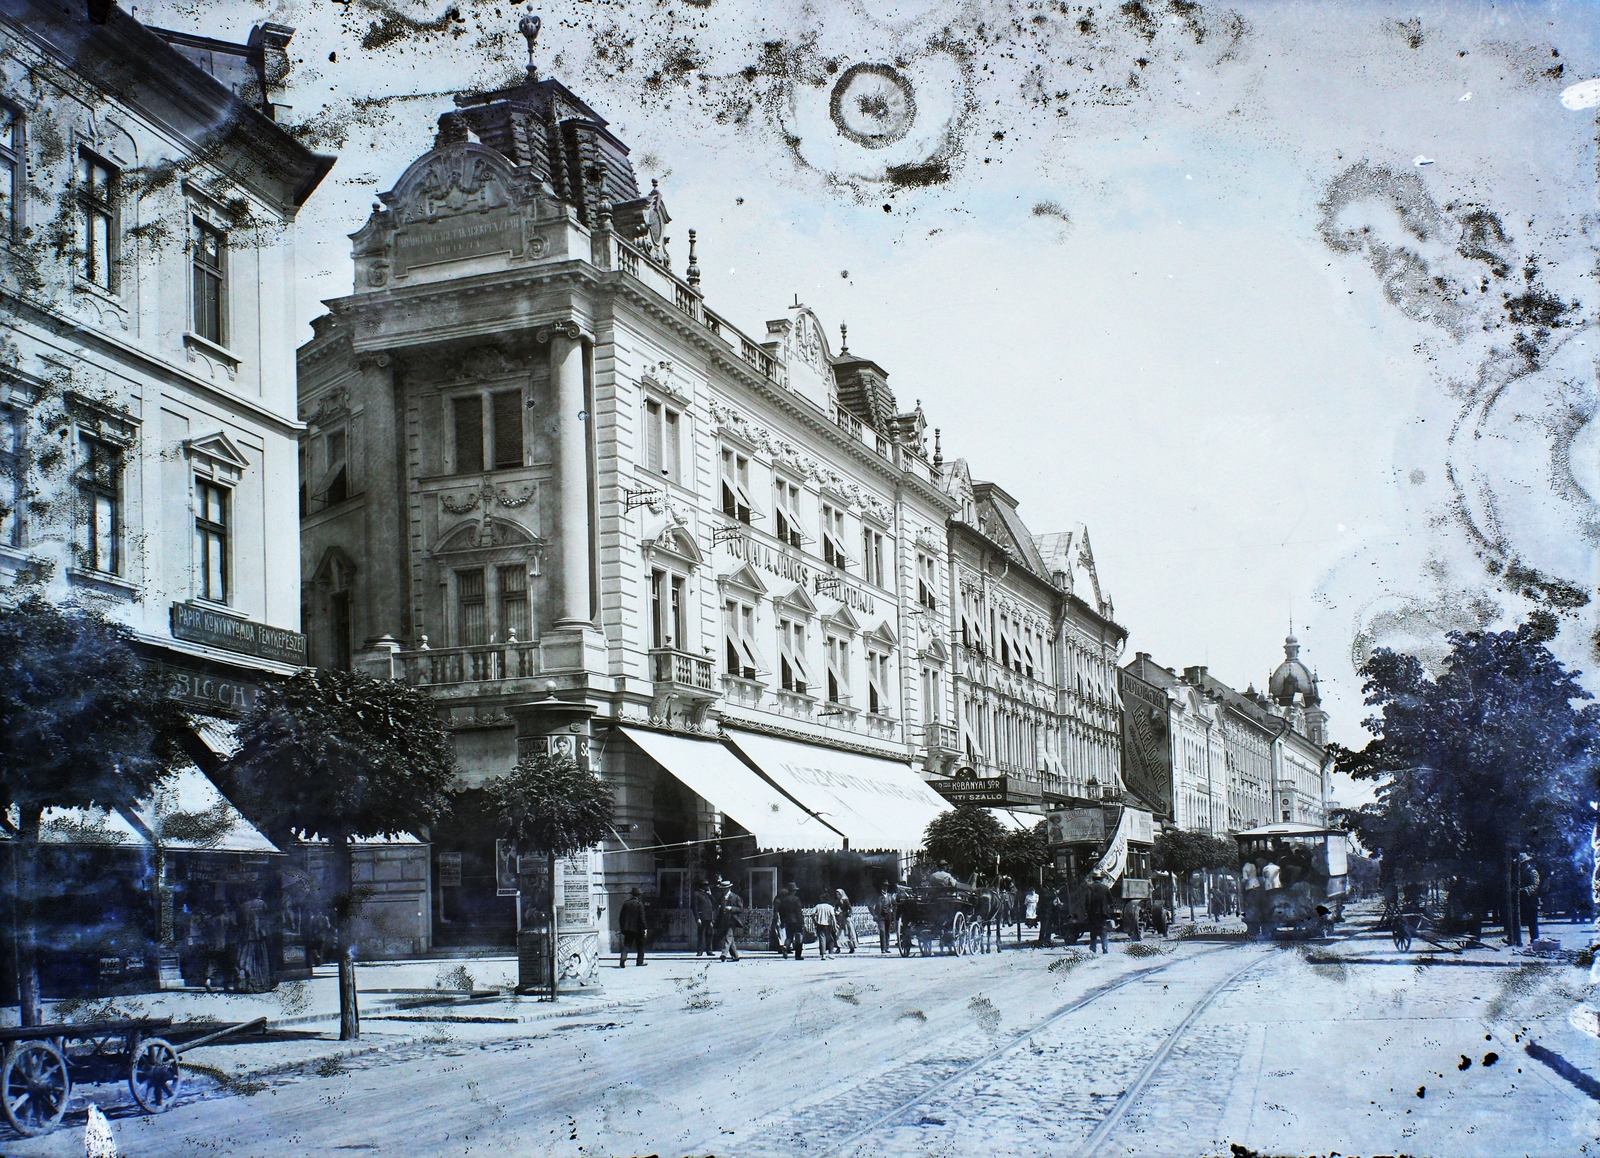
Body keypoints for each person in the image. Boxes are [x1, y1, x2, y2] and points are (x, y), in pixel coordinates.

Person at [715, 879, 745, 960]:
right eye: (722, 889)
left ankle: (723, 954)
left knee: (728, 936)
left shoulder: (735, 897)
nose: (723, 891)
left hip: (732, 920)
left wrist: (731, 908)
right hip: (723, 920)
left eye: (724, 889)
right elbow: (719, 909)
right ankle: (735, 956)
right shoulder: (721, 898)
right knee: (730, 938)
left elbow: (740, 909)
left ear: (729, 889)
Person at [619, 887, 647, 967]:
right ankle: (639, 962)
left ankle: (622, 961)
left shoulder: (626, 903)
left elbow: (621, 917)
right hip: (638, 929)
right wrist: (645, 928)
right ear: (638, 895)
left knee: (627, 945)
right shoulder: (639, 904)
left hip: (628, 929)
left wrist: (623, 928)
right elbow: (642, 918)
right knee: (640, 946)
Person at [777, 884, 806, 959]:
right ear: (794, 891)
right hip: (796, 921)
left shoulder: (783, 900)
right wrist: (802, 922)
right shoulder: (796, 899)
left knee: (789, 936)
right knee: (798, 937)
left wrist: (783, 921)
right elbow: (798, 912)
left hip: (787, 920)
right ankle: (798, 955)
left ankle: (785, 947)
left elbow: (781, 911)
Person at [1085, 871, 1111, 955]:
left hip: (1093, 913)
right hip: (1103, 913)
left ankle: (1093, 948)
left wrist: (1087, 910)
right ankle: (1105, 948)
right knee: (1103, 930)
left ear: (1093, 879)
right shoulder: (1105, 887)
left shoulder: (1089, 887)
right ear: (1101, 879)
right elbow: (1110, 900)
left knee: (1093, 931)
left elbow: (1088, 900)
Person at [1519, 853, 1542, 942]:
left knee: (1532, 921)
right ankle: (1513, 939)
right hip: (1522, 899)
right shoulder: (1520, 873)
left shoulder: (1533, 872)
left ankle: (1535, 939)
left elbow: (1535, 884)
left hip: (1531, 899)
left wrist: (1525, 890)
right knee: (1517, 919)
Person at [690, 880, 716, 957]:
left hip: (709, 918)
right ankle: (700, 951)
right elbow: (695, 907)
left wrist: (711, 895)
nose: (707, 887)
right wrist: (697, 918)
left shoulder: (707, 895)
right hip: (702, 918)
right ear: (702, 886)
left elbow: (715, 903)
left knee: (709, 934)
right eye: (706, 885)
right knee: (701, 935)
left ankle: (709, 951)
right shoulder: (696, 894)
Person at [870, 883, 896, 954]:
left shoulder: (890, 896)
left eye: (886, 887)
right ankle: (883, 949)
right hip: (880, 916)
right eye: (883, 887)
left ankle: (887, 947)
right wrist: (874, 914)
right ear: (881, 888)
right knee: (882, 931)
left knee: (887, 932)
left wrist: (892, 909)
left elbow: (895, 905)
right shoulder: (877, 897)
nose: (884, 889)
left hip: (888, 915)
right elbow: (870, 905)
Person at [812, 893, 837, 960]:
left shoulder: (818, 906)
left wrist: (815, 922)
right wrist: (835, 925)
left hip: (819, 924)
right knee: (831, 939)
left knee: (822, 939)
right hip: (828, 924)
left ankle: (823, 954)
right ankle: (831, 953)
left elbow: (812, 914)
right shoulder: (830, 907)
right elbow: (833, 916)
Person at [834, 888, 857, 954]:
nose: (837, 895)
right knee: (839, 934)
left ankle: (851, 947)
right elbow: (835, 908)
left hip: (846, 918)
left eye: (839, 894)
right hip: (840, 919)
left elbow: (850, 908)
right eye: (837, 894)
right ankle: (838, 947)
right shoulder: (837, 901)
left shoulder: (845, 900)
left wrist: (848, 914)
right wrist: (836, 912)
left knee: (849, 933)